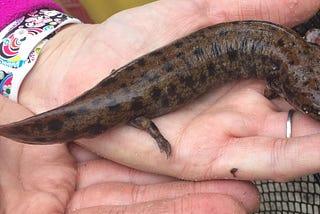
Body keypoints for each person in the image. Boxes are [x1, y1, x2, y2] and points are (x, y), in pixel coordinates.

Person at [0, 0, 319, 213]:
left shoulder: (289, 66)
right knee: (129, 104)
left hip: (163, 71)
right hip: (151, 85)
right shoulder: (286, 69)